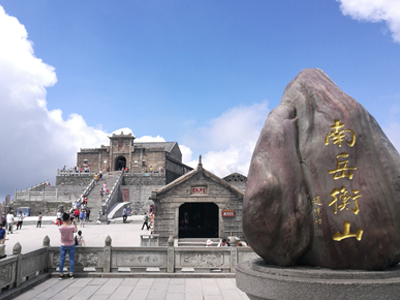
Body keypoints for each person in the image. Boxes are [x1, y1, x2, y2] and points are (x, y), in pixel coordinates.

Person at [58, 212, 77, 279]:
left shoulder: (60, 228)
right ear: (69, 219)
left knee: (61, 259)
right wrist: (74, 222)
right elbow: (75, 230)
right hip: (71, 244)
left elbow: (64, 225)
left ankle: (61, 274)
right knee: (71, 259)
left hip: (63, 245)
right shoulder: (71, 227)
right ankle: (71, 273)